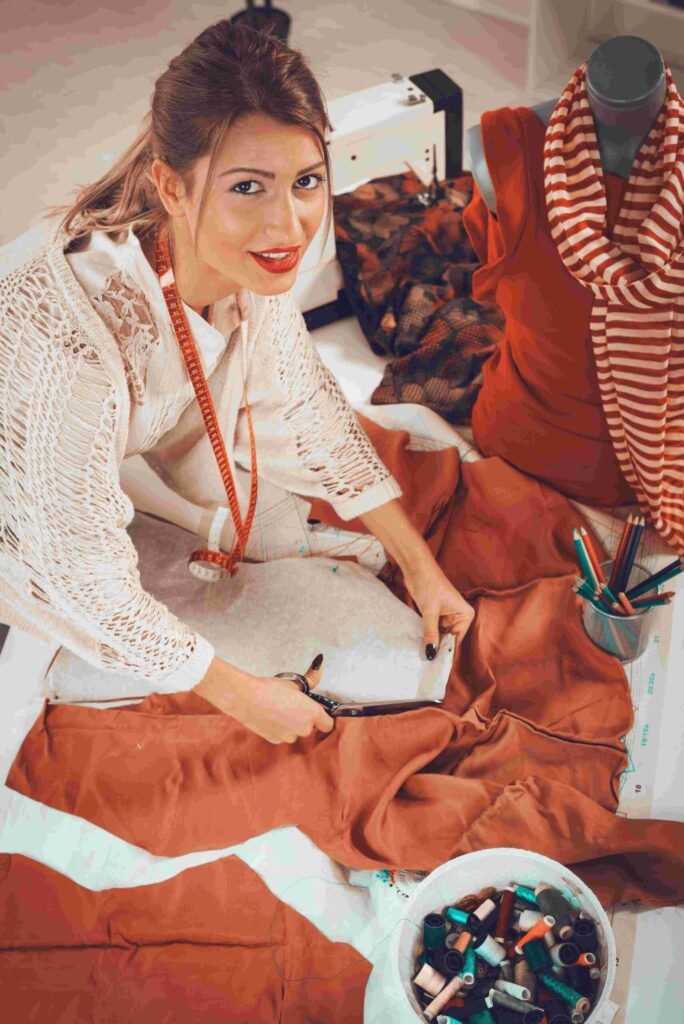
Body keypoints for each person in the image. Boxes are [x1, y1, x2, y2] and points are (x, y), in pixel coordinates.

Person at [0, 20, 474, 747]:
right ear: (171, 187)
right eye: (247, 188)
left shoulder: (244, 260)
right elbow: (82, 575)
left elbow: (307, 408)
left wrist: (422, 567)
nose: (289, 225)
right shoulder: (73, 346)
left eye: (306, 182)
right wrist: (244, 696)